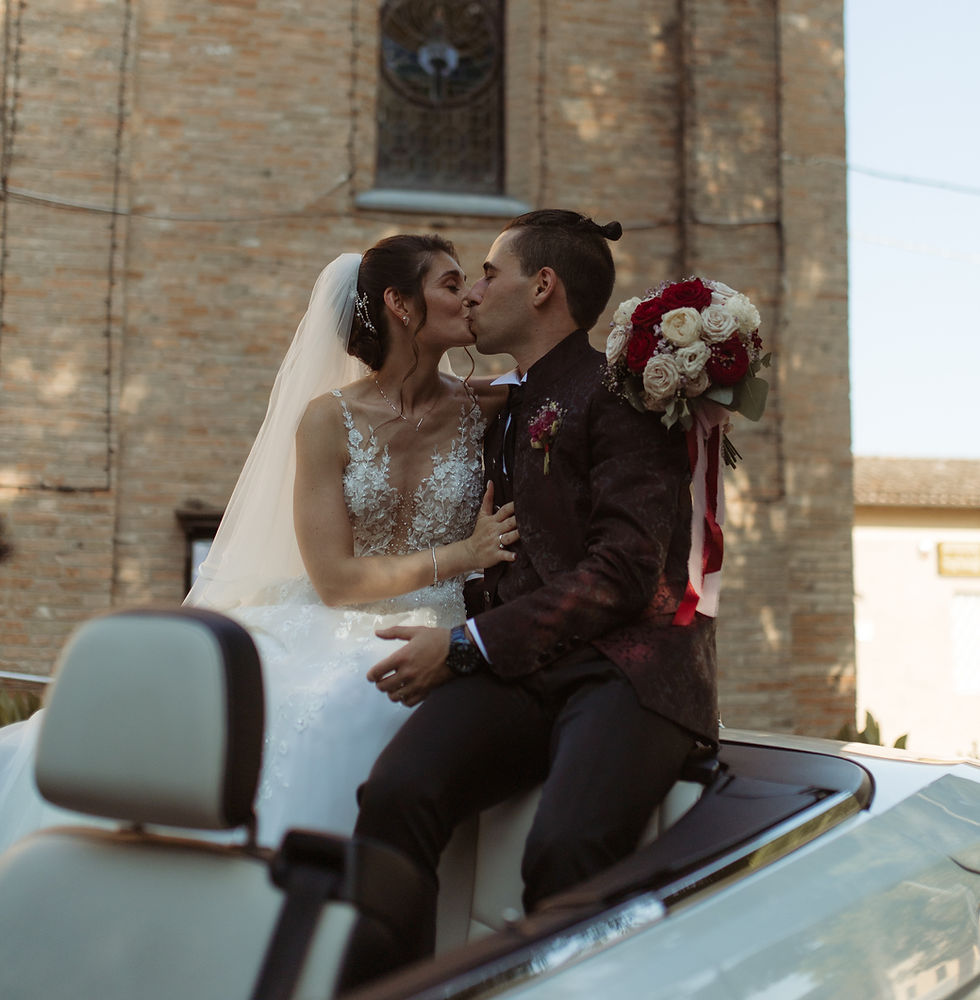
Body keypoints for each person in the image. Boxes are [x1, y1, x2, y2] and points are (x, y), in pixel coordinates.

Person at [0, 236, 516, 850]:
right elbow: (335, 581)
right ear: (400, 306)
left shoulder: (490, 405)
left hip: (438, 631)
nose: (472, 298)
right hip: (335, 620)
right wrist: (464, 554)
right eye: (452, 285)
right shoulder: (328, 419)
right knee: (262, 714)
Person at [352, 210, 719, 957]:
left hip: (627, 673)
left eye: (489, 273)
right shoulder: (505, 403)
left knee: (566, 849)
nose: (475, 292)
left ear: (543, 286)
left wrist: (461, 645)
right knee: (394, 794)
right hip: (524, 670)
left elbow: (625, 570)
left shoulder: (625, 394)